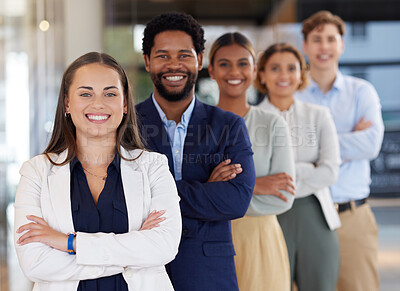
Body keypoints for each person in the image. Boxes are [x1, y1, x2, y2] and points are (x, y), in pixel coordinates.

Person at [14, 52, 182, 291]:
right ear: (67, 104)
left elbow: (164, 246)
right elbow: (35, 263)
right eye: (85, 93)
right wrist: (132, 254)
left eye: (110, 93)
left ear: (125, 104)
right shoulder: (36, 172)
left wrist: (69, 243)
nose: (98, 104)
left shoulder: (153, 166)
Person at [135, 13, 255, 291]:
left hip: (209, 271)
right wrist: (206, 189)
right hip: (143, 269)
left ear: (200, 61)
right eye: (163, 56)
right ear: (147, 62)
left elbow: (236, 201)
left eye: (184, 55)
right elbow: (119, 196)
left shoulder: (228, 125)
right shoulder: (126, 125)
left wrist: (155, 193)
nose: (174, 65)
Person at [296, 11, 384, 291]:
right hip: (305, 215)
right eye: (317, 39)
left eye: (331, 39)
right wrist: (347, 140)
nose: (324, 46)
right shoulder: (291, 95)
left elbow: (371, 144)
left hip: (352, 216)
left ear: (341, 45)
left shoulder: (362, 92)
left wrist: (318, 147)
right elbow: (291, 153)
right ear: (305, 45)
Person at [208, 32, 295, 291]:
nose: (234, 71)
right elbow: (189, 192)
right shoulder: (198, 125)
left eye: (243, 63)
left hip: (261, 242)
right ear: (211, 70)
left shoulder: (272, 124)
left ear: (255, 70)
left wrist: (219, 189)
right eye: (224, 63)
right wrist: (254, 185)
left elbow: (284, 196)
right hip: (208, 241)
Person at [257, 43, 341, 291]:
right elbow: (254, 175)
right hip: (268, 216)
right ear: (261, 74)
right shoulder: (249, 119)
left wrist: (279, 175)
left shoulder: (319, 115)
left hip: (315, 215)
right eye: (275, 68)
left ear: (301, 74)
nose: (284, 75)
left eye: (291, 68)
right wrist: (308, 167)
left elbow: (330, 172)